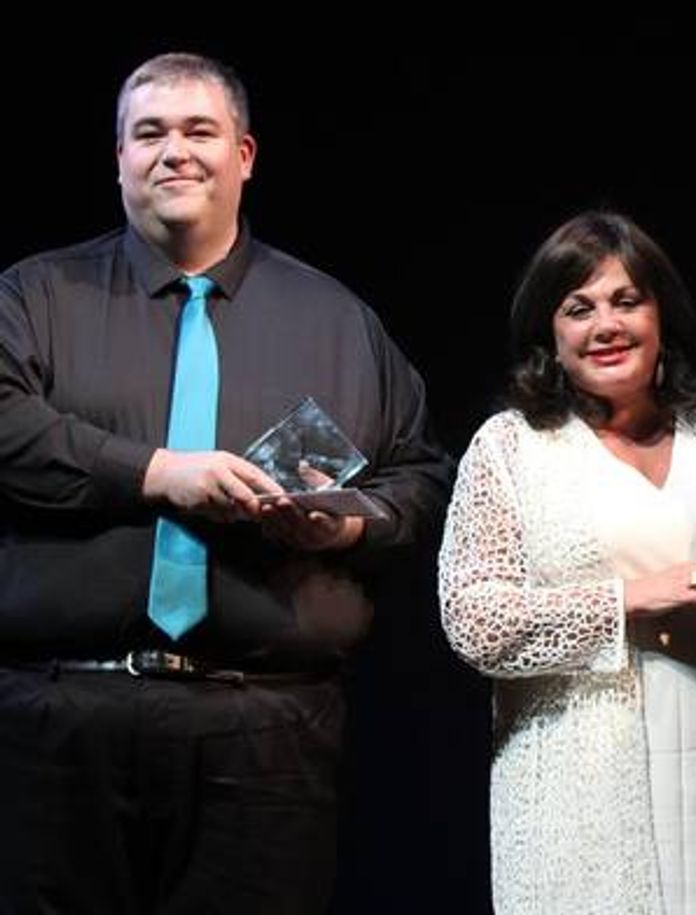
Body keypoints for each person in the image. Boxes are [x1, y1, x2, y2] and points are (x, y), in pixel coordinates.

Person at [0, 52, 451, 913]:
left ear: (244, 154)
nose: (175, 151)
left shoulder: (338, 322)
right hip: (57, 721)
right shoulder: (35, 296)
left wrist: (349, 523)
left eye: (199, 131)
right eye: (149, 134)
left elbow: (422, 476)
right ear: (119, 160)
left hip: (266, 734)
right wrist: (159, 473)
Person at [438, 211, 696, 913]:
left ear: (661, 317)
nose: (606, 325)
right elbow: (472, 616)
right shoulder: (512, 448)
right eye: (579, 308)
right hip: (578, 782)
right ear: (550, 333)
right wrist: (625, 599)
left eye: (627, 301)